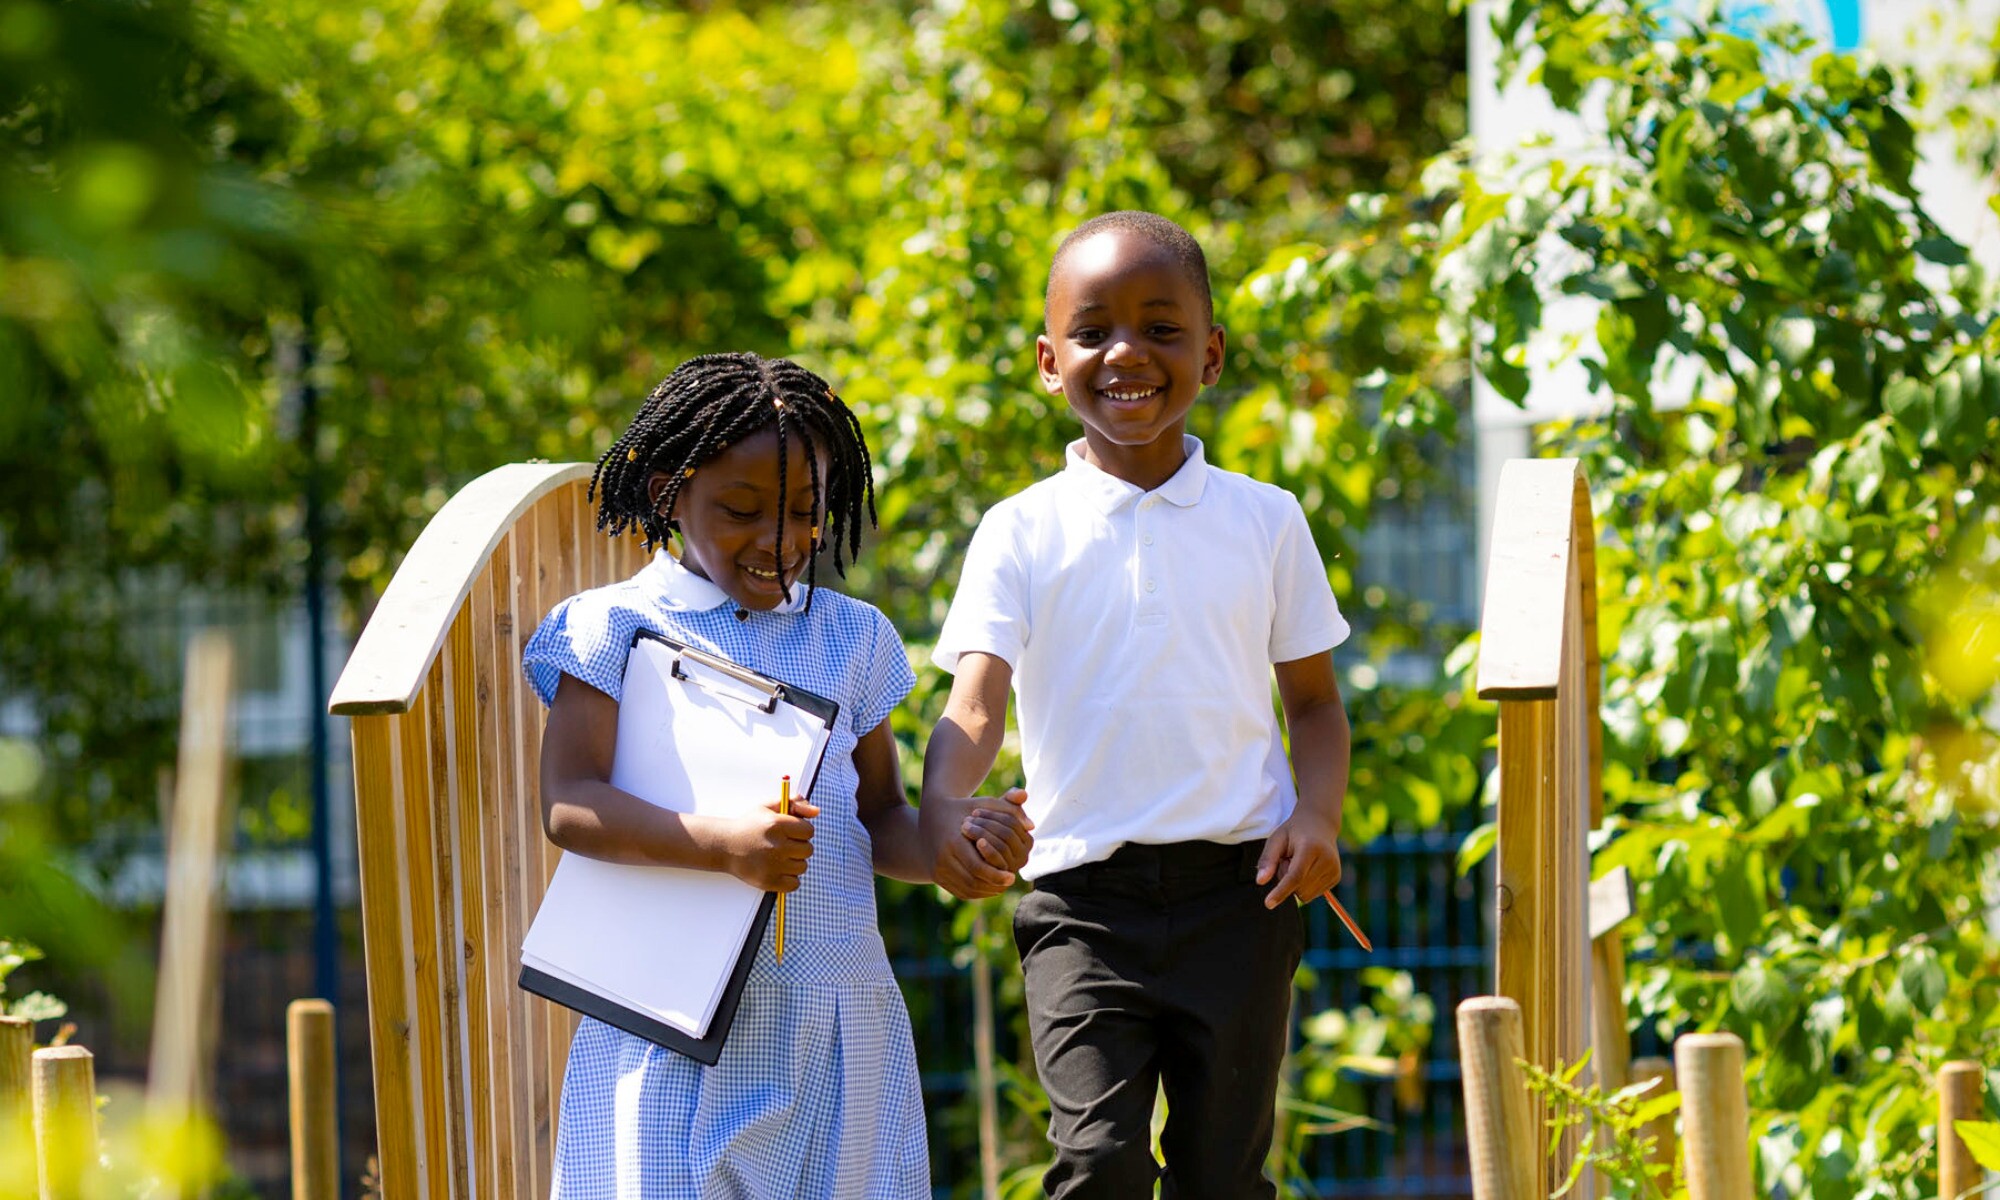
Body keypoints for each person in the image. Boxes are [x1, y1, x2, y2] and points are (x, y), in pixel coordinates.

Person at [523, 351, 1033, 1200]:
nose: (781, 541)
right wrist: (724, 847)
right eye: (740, 510)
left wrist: (953, 843)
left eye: (805, 512)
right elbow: (570, 806)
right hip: (668, 1021)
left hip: (830, 1021)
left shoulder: (854, 637)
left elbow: (882, 820)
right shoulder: (609, 627)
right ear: (665, 494)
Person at [923, 211, 1354, 1199]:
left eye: (1160, 329)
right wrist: (943, 808)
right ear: (1047, 360)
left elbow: (1316, 708)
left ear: (1208, 356)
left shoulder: (1264, 519)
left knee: (1220, 1173)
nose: (1126, 353)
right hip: (1080, 905)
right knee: (1095, 1161)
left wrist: (1316, 816)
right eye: (1092, 331)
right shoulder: (1019, 531)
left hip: (1240, 898)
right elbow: (977, 707)